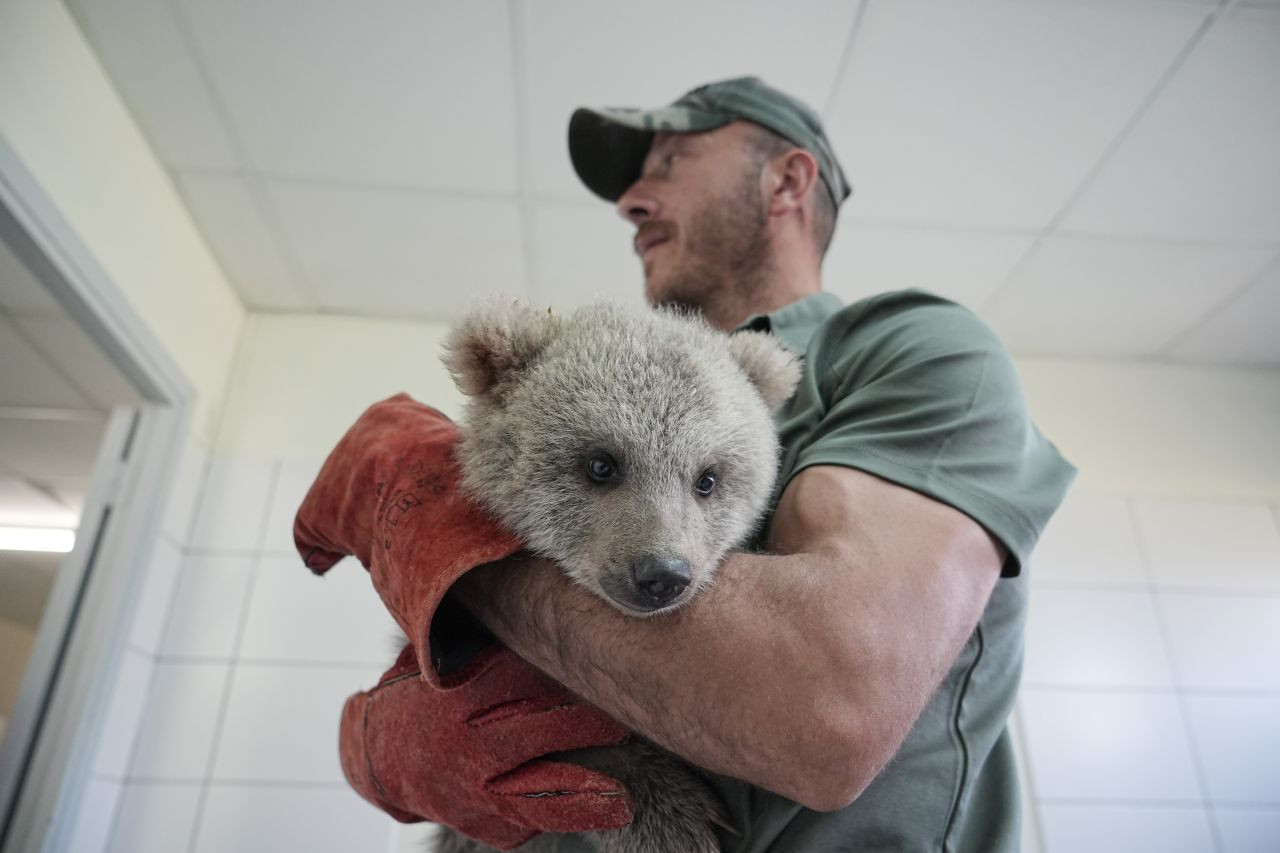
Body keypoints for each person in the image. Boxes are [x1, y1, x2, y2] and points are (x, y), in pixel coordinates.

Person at [298, 77, 1075, 852]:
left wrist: (458, 558)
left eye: (669, 161)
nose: (631, 200)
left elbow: (825, 708)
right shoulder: (578, 373)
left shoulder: (907, 348)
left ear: (788, 180)